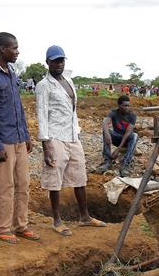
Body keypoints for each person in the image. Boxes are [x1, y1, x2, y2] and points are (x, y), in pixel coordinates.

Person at [36, 45, 107, 236]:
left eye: (61, 60)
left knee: (79, 174)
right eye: (55, 60)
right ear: (48, 62)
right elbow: (42, 115)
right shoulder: (43, 86)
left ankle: (85, 216)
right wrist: (46, 145)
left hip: (73, 135)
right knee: (55, 178)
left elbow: (73, 111)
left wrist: (78, 131)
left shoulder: (69, 81)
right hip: (55, 136)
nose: (58, 64)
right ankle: (57, 220)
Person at [0, 32, 39, 244]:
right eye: (14, 48)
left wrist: (27, 134)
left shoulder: (12, 73)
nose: (17, 51)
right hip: (3, 139)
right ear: (2, 49)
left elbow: (18, 107)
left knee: (23, 183)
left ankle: (21, 225)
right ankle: (4, 228)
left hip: (19, 138)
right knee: (5, 185)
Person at [97, 95, 137, 176]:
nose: (127, 107)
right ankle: (107, 161)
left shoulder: (132, 115)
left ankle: (125, 165)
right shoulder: (114, 112)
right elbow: (105, 122)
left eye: (128, 105)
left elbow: (128, 133)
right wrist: (107, 134)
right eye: (125, 105)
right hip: (116, 138)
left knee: (134, 135)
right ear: (119, 105)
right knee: (106, 131)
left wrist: (118, 149)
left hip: (126, 140)